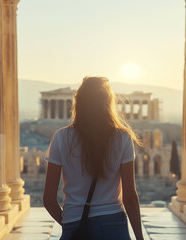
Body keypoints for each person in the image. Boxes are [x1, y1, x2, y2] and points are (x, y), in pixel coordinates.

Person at [43, 76, 144, 240]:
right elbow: (130, 197)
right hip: (112, 223)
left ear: (79, 102)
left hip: (74, 221)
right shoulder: (123, 138)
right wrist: (139, 237)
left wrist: (71, 222)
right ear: (108, 103)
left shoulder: (61, 137)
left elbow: (48, 199)